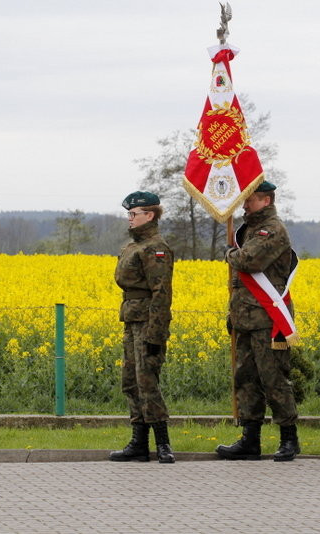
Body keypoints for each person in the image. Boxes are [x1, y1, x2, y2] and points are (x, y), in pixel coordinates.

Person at [216, 181, 301, 462]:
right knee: (246, 379)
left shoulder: (272, 229)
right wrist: (233, 313)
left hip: (268, 318)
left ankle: (289, 438)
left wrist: (229, 253)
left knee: (274, 378)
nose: (244, 204)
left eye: (249, 199)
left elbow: (249, 261)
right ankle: (250, 439)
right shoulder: (250, 229)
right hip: (245, 317)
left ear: (265, 200)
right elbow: (240, 280)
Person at [110, 191, 175, 464]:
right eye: (129, 215)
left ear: (150, 215)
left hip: (148, 322)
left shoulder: (155, 248)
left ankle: (163, 444)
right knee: (131, 382)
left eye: (134, 214)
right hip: (132, 320)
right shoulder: (132, 246)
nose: (130, 219)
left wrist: (156, 334)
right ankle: (139, 442)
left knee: (148, 382)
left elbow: (161, 293)